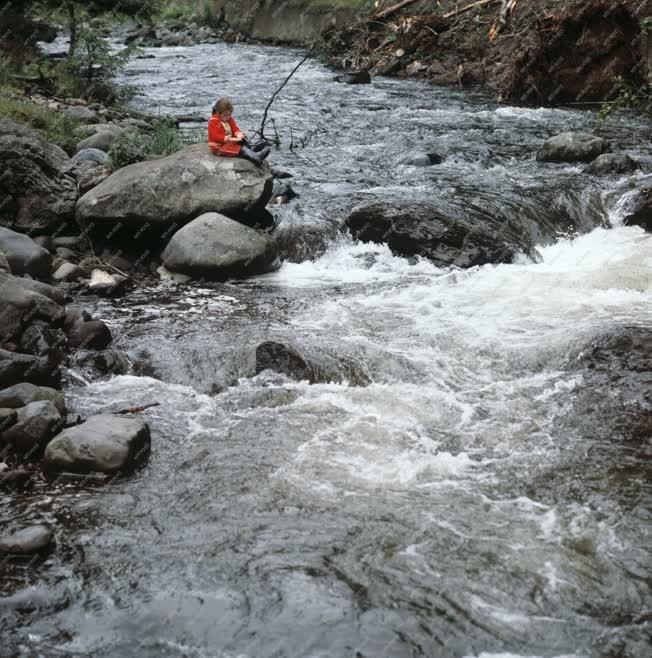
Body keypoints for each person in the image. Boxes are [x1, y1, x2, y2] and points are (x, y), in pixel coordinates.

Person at [207, 98, 270, 167]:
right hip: (219, 146)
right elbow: (215, 136)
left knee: (242, 136)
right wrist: (227, 138)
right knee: (240, 149)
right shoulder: (214, 121)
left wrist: (238, 133)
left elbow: (234, 128)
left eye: (229, 115)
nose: (227, 117)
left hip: (228, 141)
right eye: (225, 115)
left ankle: (251, 147)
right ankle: (256, 158)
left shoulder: (229, 118)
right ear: (218, 113)